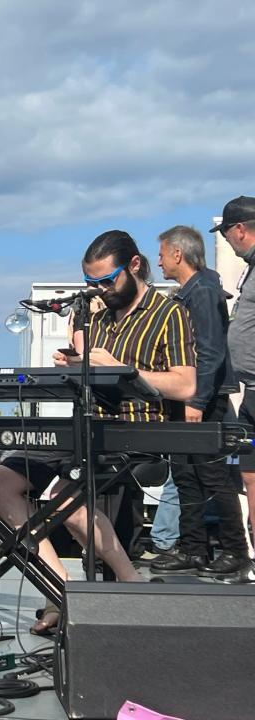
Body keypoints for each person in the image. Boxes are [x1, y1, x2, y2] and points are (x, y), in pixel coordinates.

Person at [0, 230, 196, 634]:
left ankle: (129, 583)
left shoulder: (168, 312)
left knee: (66, 491)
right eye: (91, 283)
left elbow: (186, 384)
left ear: (134, 266)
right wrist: (73, 362)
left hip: (135, 432)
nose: (100, 290)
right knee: (0, 480)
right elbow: (86, 373)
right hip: (82, 429)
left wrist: (118, 367)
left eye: (106, 280)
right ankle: (59, 591)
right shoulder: (93, 317)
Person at [150, 226, 248, 577]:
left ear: (178, 254)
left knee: (212, 475)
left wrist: (197, 399)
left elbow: (210, 350)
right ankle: (193, 549)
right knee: (186, 474)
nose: (158, 261)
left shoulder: (203, 292)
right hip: (189, 396)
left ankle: (235, 551)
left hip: (202, 398)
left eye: (161, 254)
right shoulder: (192, 289)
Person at [213, 196, 255, 582]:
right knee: (250, 474)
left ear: (239, 228)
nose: (228, 243)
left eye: (227, 236)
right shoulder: (250, 268)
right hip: (251, 393)